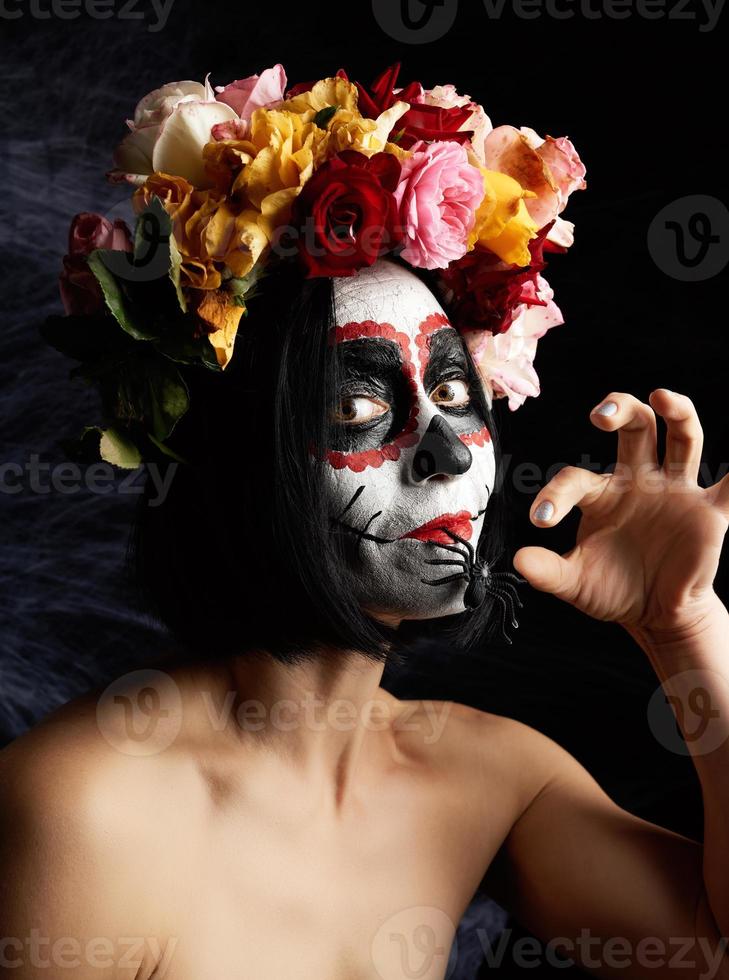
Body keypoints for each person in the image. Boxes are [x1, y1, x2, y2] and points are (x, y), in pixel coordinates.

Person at [2, 64, 729, 980]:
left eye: (456, 392)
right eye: (357, 409)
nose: (450, 453)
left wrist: (686, 632)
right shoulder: (87, 806)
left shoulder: (490, 780)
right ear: (240, 462)